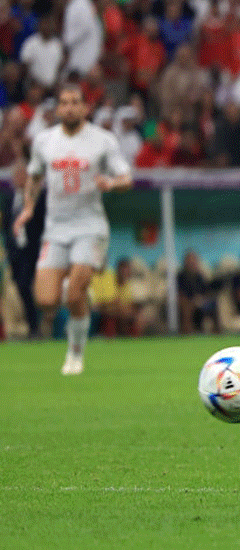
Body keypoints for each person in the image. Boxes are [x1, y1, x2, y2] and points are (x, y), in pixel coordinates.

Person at [15, 83, 133, 374]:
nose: (69, 107)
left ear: (85, 107)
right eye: (64, 102)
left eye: (75, 102)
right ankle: (79, 292)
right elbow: (34, 176)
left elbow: (126, 177)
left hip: (90, 226)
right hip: (56, 229)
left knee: (74, 291)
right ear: (58, 109)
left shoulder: (102, 140)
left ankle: (75, 354)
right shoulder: (44, 141)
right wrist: (29, 208)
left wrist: (111, 183)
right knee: (46, 300)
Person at [1, 162, 46, 337]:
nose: (19, 179)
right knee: (19, 288)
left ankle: (34, 325)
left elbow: (41, 224)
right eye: (17, 175)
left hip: (31, 251)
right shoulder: (10, 198)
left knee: (26, 286)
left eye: (23, 175)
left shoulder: (38, 197)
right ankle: (30, 325)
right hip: (14, 253)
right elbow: (6, 225)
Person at [177, 249, 220, 335]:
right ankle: (188, 332)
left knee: (215, 303)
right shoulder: (180, 276)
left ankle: (216, 332)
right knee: (186, 307)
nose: (191, 262)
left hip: (200, 301)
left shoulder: (199, 276)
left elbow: (205, 291)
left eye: (193, 260)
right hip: (187, 302)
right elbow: (180, 293)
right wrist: (192, 300)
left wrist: (202, 299)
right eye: (189, 260)